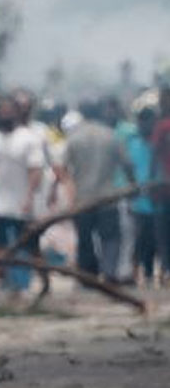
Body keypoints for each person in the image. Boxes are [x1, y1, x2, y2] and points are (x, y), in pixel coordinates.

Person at [0, 96, 46, 295]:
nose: (4, 115)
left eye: (9, 111)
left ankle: (36, 284)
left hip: (21, 204)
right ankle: (1, 285)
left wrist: (29, 197)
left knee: (27, 247)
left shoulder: (29, 138)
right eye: (1, 111)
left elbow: (35, 170)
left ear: (17, 113)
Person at [63, 101, 135, 281]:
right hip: (107, 198)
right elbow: (127, 164)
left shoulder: (74, 137)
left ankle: (88, 276)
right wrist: (132, 185)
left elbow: (63, 169)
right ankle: (109, 272)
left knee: (85, 239)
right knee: (110, 238)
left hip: (83, 198)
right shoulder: (111, 136)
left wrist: (69, 192)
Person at [126, 106, 160, 285]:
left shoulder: (160, 143)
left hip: (159, 200)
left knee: (157, 240)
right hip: (138, 202)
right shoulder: (132, 144)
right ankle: (141, 273)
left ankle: (155, 272)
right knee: (140, 240)